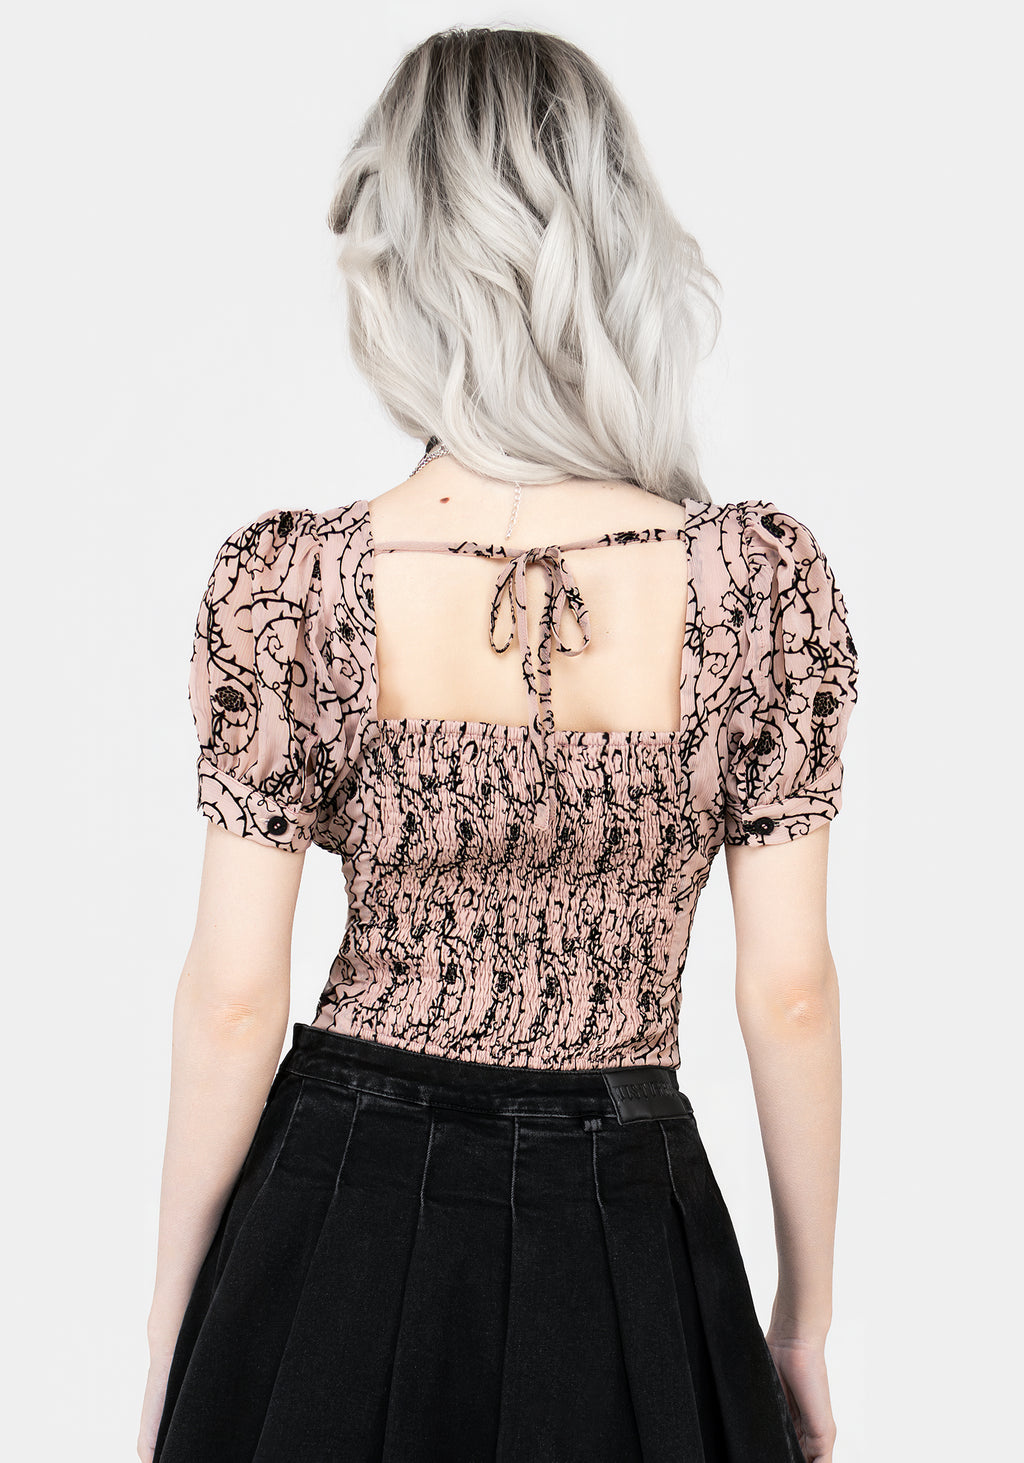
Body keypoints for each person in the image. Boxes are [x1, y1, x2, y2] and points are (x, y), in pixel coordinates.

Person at [139, 24, 859, 1463]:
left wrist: (178, 1329)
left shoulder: (295, 585)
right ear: (616, 241)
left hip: (332, 1221)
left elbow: (232, 999)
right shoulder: (756, 585)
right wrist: (803, 1319)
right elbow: (787, 993)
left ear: (400, 265)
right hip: (628, 1220)